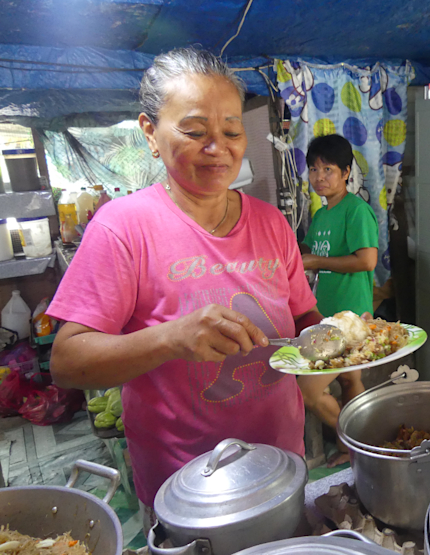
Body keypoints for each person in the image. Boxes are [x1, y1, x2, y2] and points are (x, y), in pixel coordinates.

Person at [46, 47, 322, 531]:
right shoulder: (122, 228)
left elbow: (304, 320)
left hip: (282, 465)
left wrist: (340, 343)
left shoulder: (270, 223)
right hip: (187, 487)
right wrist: (171, 338)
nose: (218, 148)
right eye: (195, 132)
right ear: (149, 133)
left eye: (232, 131)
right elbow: (68, 363)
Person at [299, 134, 379, 466]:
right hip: (329, 315)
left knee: (309, 391)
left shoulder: (356, 210)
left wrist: (316, 262)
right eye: (314, 170)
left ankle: (358, 446)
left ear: (347, 172)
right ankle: (353, 450)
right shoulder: (320, 216)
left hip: (351, 317)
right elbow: (309, 252)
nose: (320, 177)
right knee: (350, 378)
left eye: (328, 169)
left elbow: (367, 261)